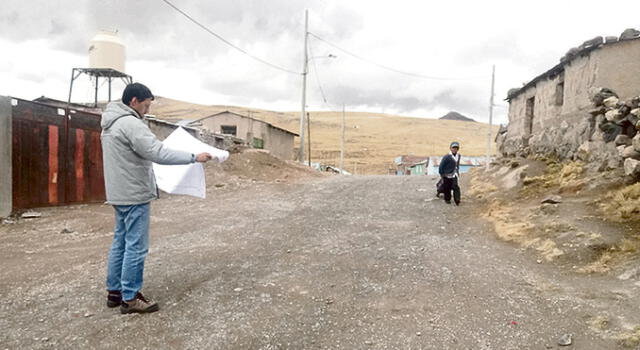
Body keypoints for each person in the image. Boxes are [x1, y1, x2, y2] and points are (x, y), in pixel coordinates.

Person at [101, 83, 213, 314]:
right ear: (134, 101)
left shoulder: (110, 123)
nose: (147, 110)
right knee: (136, 247)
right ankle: (130, 298)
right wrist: (194, 157)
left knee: (120, 242)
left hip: (118, 192)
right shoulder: (131, 123)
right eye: (146, 105)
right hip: (134, 194)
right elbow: (158, 153)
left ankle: (115, 292)